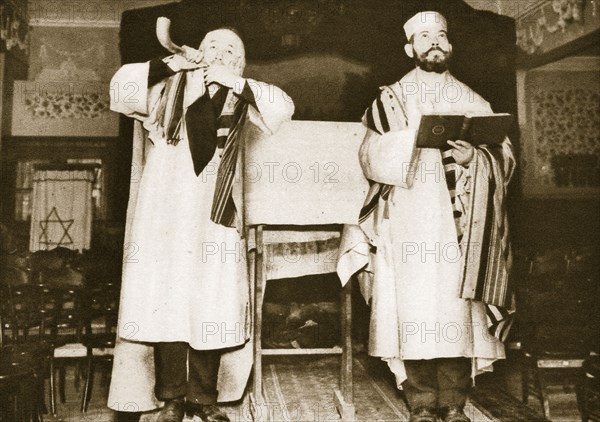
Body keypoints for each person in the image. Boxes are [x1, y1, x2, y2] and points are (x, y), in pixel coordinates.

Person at [108, 27, 294, 422]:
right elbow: (120, 91)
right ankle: (172, 399)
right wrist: (167, 63)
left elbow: (283, 108)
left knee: (210, 303)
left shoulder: (243, 93)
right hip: (166, 211)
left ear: (239, 62)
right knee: (168, 302)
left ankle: (203, 399)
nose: (220, 52)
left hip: (214, 211)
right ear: (198, 51)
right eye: (213, 46)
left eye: (231, 49)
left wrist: (236, 81)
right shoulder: (166, 86)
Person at [338, 11, 515, 422]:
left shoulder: (473, 99)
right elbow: (368, 155)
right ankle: (420, 403)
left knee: (456, 310)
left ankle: (453, 402)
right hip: (409, 217)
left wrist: (476, 157)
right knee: (413, 310)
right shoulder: (390, 99)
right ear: (410, 48)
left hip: (460, 225)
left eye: (440, 36)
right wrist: (409, 143)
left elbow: (504, 155)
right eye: (424, 37)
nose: (434, 42)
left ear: (449, 46)